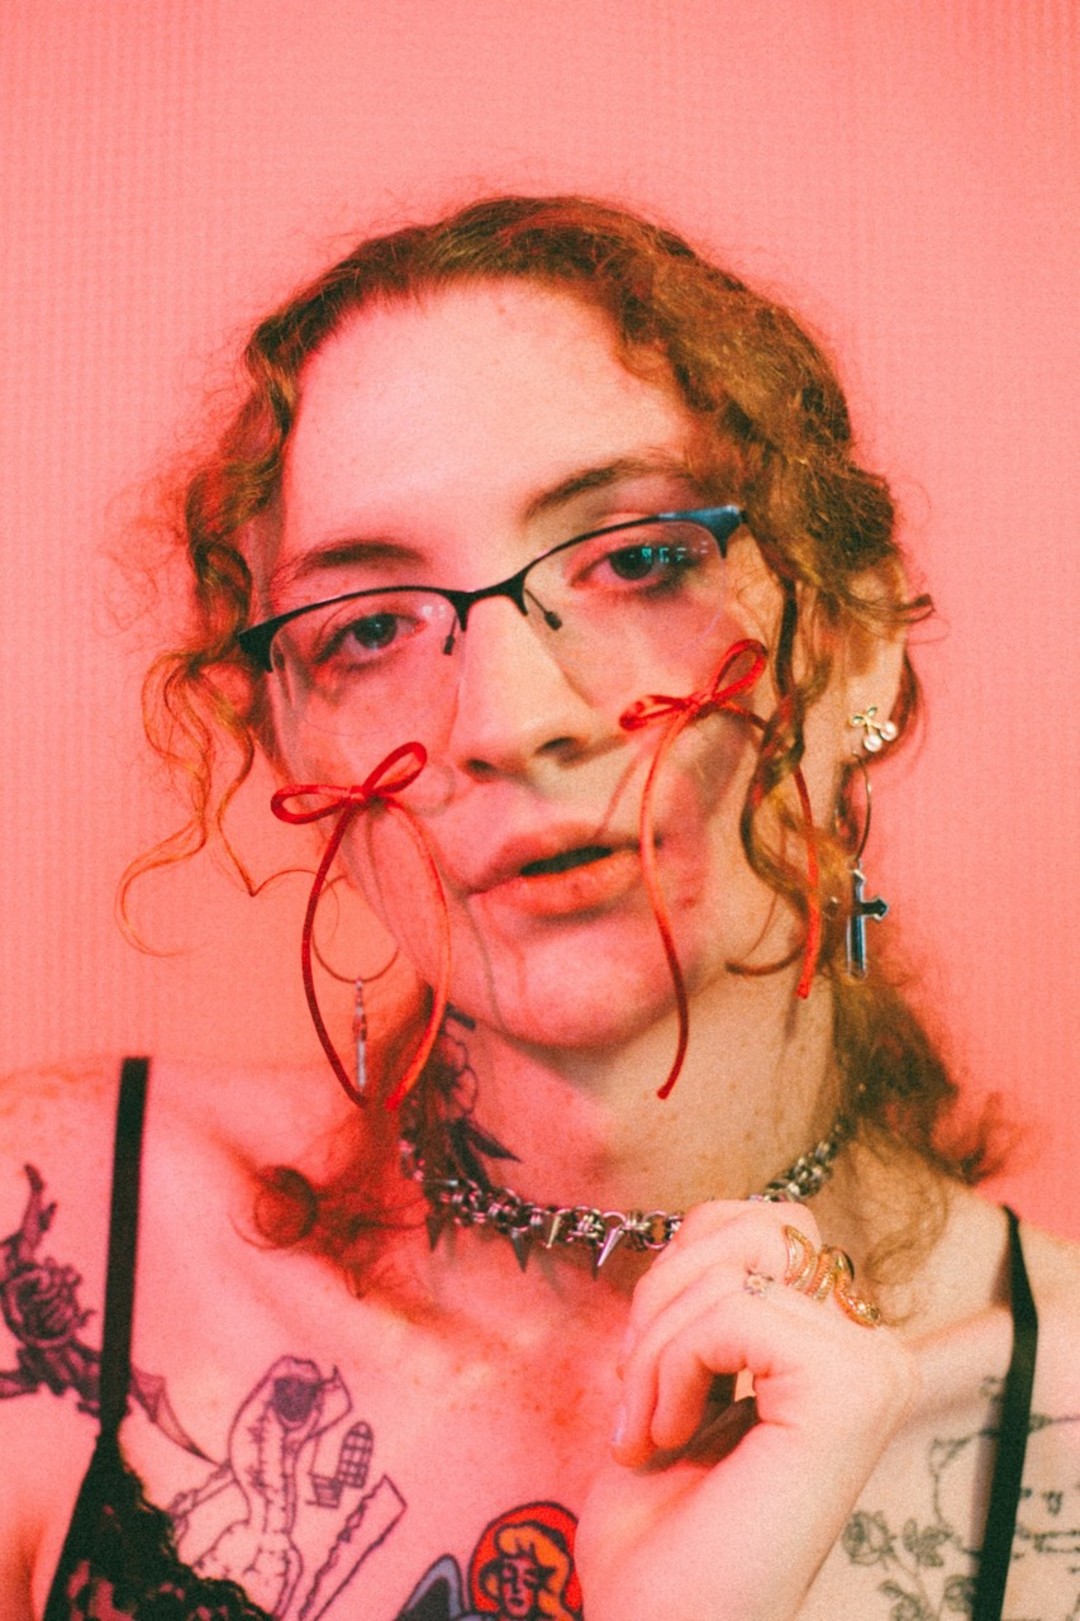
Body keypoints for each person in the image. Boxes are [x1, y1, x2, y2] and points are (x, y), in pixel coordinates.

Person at [1, 194, 1077, 1621]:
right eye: (368, 628)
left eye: (638, 559)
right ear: (286, 747)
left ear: (861, 638)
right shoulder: (58, 1229)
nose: (508, 721)